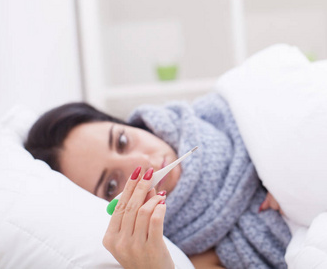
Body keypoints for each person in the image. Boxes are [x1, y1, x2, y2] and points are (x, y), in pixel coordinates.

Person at [25, 94, 291, 269]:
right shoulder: (192, 255)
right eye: (111, 186)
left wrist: (291, 175)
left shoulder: (222, 110)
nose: (142, 164)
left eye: (122, 141)